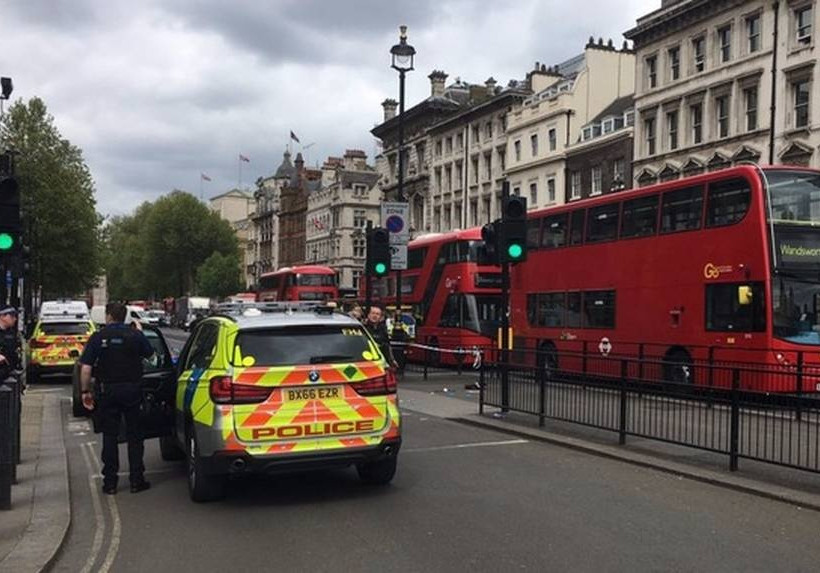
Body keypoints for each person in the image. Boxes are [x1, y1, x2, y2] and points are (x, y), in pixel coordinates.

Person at [79, 302, 154, 495]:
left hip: (107, 392)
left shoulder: (98, 337)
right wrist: (140, 332)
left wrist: (85, 392)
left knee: (110, 436)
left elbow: (86, 368)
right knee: (135, 436)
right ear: (124, 316)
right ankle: (136, 480)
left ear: (109, 316)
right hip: (132, 390)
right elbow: (152, 357)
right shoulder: (134, 335)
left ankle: (110, 483)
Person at [0, 306, 21, 381]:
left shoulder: (12, 333)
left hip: (9, 373)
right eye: (12, 316)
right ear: (2, 316)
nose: (15, 319)